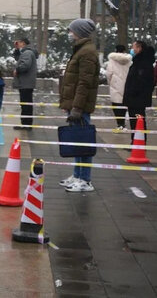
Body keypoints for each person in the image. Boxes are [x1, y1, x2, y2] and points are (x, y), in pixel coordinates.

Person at [58, 19, 99, 193]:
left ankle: (85, 179)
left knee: (83, 143)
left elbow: (84, 83)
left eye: (72, 30)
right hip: (75, 104)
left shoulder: (87, 53)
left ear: (79, 32)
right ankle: (77, 174)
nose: (69, 33)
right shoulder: (81, 50)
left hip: (80, 106)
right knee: (77, 140)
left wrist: (76, 107)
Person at [123, 40, 156, 144]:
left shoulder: (143, 63)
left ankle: (138, 141)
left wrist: (132, 91)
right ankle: (135, 140)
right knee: (135, 120)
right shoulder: (138, 61)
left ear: (140, 48)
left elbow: (141, 81)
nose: (132, 50)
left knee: (138, 120)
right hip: (135, 98)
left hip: (137, 98)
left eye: (134, 48)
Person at [12, 37, 38, 130]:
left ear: (23, 43)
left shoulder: (27, 53)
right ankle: (25, 123)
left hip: (26, 82)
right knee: (25, 104)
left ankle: (26, 124)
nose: (17, 44)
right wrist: (16, 49)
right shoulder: (26, 52)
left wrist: (17, 70)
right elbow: (18, 58)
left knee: (26, 104)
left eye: (18, 42)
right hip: (26, 82)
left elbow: (25, 65)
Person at [105, 45, 132, 132]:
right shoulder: (129, 61)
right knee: (124, 104)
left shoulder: (112, 61)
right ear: (124, 50)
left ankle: (120, 124)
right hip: (127, 85)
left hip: (115, 85)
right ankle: (123, 124)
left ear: (115, 50)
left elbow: (109, 73)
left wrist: (110, 83)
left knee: (116, 105)